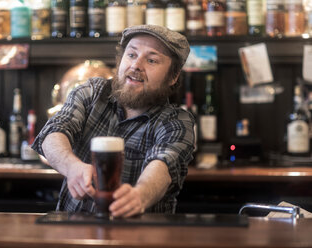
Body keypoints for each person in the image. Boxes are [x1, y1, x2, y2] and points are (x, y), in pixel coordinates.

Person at [32, 25, 195, 218]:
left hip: (140, 237)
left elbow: (164, 166)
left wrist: (139, 195)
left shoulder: (176, 121)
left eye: (151, 60)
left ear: (173, 77)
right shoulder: (92, 93)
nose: (136, 65)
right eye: (131, 55)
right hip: (74, 234)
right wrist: (72, 166)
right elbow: (54, 133)